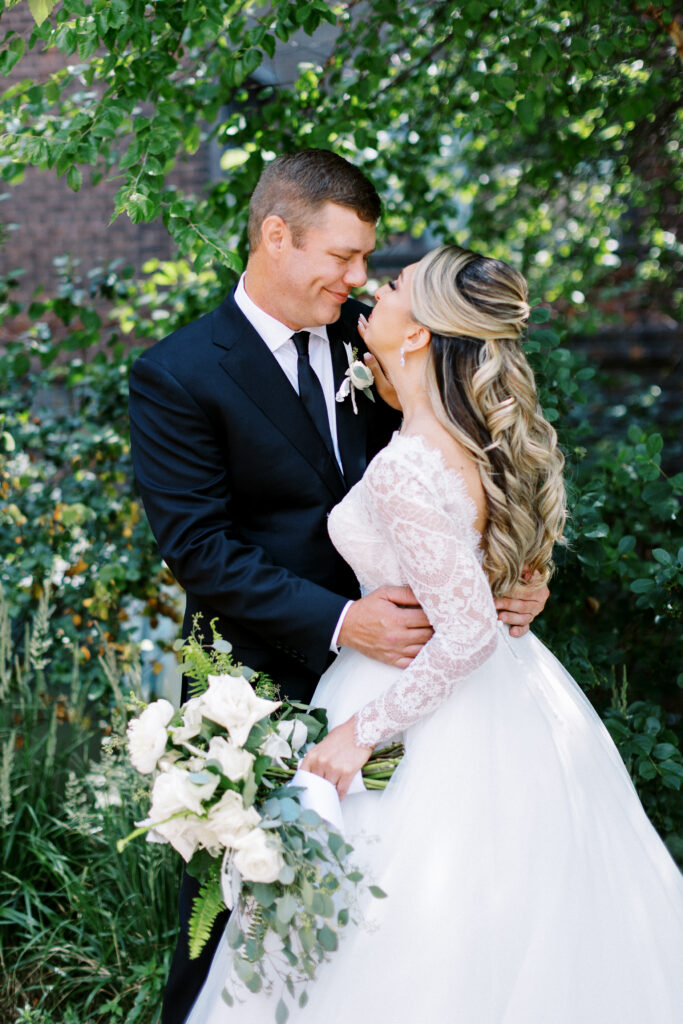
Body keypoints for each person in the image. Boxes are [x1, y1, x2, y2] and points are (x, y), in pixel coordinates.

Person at [186, 245, 683, 1024]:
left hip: (407, 701)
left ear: (418, 335)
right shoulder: (472, 439)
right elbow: (485, 583)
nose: (366, 294)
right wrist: (523, 583)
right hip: (510, 704)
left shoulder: (407, 466)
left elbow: (465, 633)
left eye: (389, 286)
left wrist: (358, 733)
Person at [128, 151, 548, 1024]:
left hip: (407, 694)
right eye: (343, 257)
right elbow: (199, 548)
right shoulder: (179, 373)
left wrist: (520, 574)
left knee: (393, 892)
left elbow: (474, 459)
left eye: (367, 262)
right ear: (276, 236)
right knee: (233, 924)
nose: (359, 279)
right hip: (259, 687)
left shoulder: (383, 335)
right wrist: (341, 621)